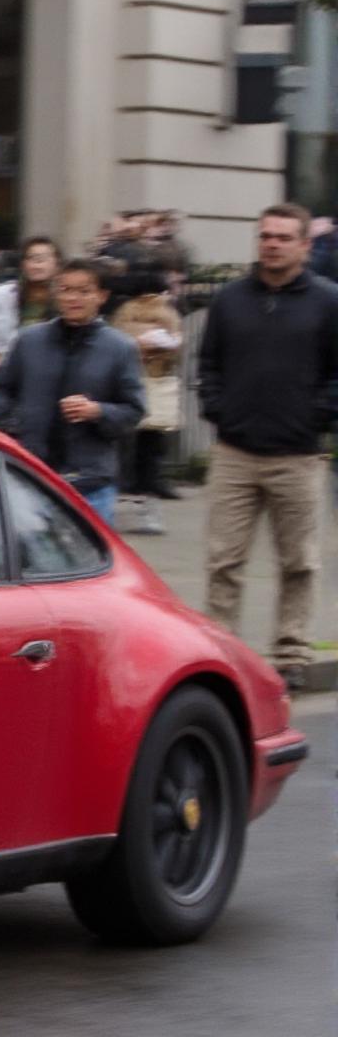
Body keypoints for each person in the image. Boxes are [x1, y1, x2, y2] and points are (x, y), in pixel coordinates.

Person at [198, 203, 338, 689]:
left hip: (298, 457)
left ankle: (292, 654)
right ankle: (222, 647)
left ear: (304, 245)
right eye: (265, 236)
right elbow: (208, 363)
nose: (271, 244)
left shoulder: (328, 302)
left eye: (282, 237)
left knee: (299, 562)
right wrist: (217, 408)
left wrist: (317, 416)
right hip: (235, 452)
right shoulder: (230, 299)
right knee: (224, 561)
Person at [0, 258, 146, 526]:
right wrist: (15, 425)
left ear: (101, 296)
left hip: (90, 481)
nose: (73, 298)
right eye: (65, 290)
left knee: (89, 563)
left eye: (84, 291)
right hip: (29, 472)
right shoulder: (29, 340)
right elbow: (1, 394)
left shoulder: (120, 348)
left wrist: (98, 411)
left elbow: (134, 410)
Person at [112, 274, 183, 532]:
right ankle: (144, 488)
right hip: (147, 379)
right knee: (145, 443)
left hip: (152, 380)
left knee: (143, 443)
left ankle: (143, 487)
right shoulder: (156, 311)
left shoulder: (129, 311)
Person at [0, 235, 61, 379]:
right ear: (23, 264)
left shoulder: (65, 301)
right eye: (31, 258)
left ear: (57, 264)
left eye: (43, 258)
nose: (37, 263)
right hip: (0, 376)